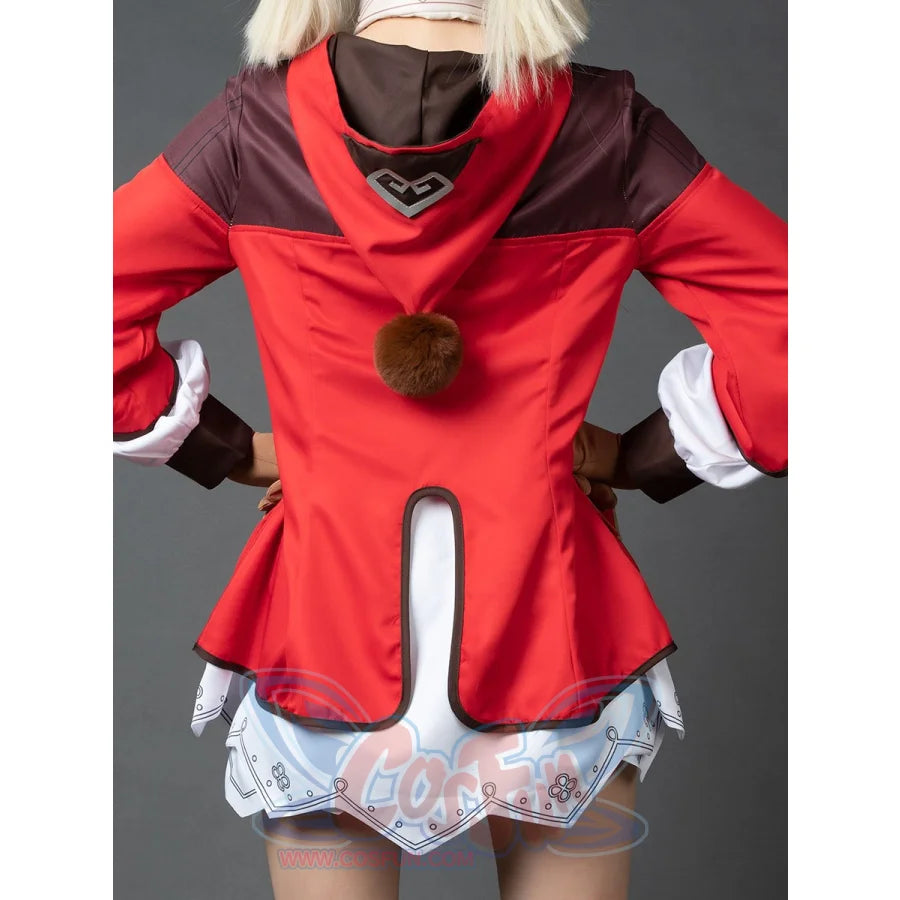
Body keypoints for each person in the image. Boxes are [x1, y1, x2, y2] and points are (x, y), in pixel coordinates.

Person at [113, 1, 787, 897]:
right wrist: (633, 458)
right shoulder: (607, 130)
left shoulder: (254, 127)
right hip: (549, 629)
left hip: (328, 626)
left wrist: (233, 451)